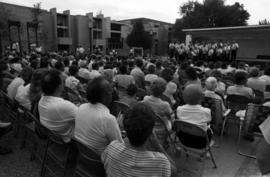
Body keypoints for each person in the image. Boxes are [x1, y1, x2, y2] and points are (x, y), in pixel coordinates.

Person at [102, 103, 171, 177]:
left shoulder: (112, 147)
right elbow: (174, 171)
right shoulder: (161, 162)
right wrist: (158, 145)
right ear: (151, 133)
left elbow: (104, 163)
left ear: (125, 128)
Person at [75, 77, 123, 155]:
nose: (112, 94)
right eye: (110, 91)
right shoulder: (108, 119)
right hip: (97, 161)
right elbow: (119, 148)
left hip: (81, 153)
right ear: (104, 96)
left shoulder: (81, 107)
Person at [39, 69, 78, 142]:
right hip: (68, 138)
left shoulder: (41, 99)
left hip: (52, 133)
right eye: (62, 81)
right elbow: (83, 119)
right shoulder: (64, 105)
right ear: (59, 86)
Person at [176, 84, 212, 148]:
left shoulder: (179, 109)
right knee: (209, 129)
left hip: (183, 139)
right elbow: (208, 122)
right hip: (201, 143)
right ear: (201, 98)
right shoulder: (206, 111)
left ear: (184, 97)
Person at [142, 78, 173, 146]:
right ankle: (165, 140)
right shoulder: (165, 105)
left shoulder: (145, 99)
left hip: (147, 125)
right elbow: (171, 117)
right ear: (164, 90)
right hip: (159, 129)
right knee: (171, 122)